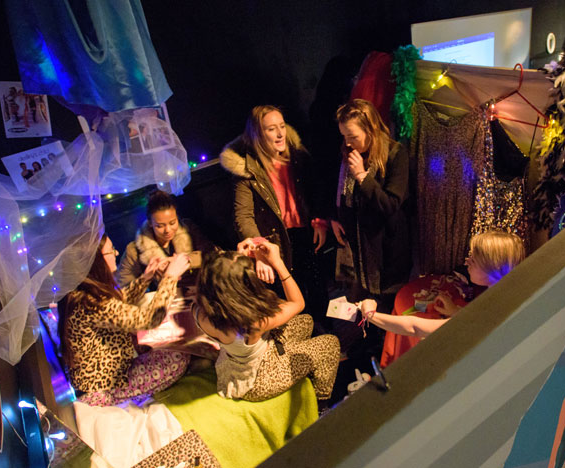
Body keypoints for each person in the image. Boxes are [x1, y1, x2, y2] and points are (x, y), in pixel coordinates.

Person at [192, 240, 340, 402]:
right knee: (330, 344)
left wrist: (235, 262)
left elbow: (224, 281)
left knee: (306, 321)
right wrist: (277, 262)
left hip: (234, 363)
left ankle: (301, 366)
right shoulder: (254, 322)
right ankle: (321, 400)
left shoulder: (200, 311)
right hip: (258, 379)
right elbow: (298, 303)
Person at [220, 105, 329, 322]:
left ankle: (327, 332)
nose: (280, 134)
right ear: (258, 134)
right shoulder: (248, 169)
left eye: (282, 126)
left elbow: (315, 191)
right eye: (271, 129)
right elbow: (243, 216)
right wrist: (260, 251)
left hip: (305, 232)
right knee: (292, 298)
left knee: (317, 289)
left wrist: (320, 221)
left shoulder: (297, 156)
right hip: (276, 240)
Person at [58, 234, 190, 406]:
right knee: (179, 357)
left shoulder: (83, 290)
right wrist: (170, 277)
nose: (116, 253)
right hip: (105, 387)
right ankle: (121, 398)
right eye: (111, 250)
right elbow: (150, 319)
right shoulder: (90, 302)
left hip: (105, 372)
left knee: (158, 342)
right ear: (96, 261)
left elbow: (119, 301)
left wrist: (146, 277)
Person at [358, 231, 525, 343]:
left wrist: (371, 315)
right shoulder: (504, 291)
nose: (466, 261)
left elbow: (414, 328)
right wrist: (456, 311)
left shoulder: (492, 309)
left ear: (493, 268)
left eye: (473, 260)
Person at [331, 99, 411, 305]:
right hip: (358, 249)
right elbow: (342, 192)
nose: (348, 143)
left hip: (386, 250)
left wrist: (362, 177)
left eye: (353, 136)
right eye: (344, 136)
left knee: (386, 304)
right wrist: (336, 217)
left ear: (371, 129)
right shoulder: (349, 152)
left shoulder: (395, 154)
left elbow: (391, 204)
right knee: (361, 305)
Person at [117, 190, 209, 287]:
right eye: (160, 226)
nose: (167, 230)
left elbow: (211, 254)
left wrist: (183, 261)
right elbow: (123, 286)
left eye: (172, 223)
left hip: (197, 289)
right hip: (163, 295)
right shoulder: (134, 250)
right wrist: (146, 277)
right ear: (150, 223)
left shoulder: (189, 229)